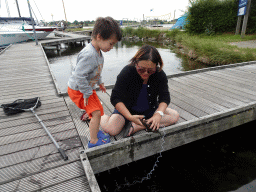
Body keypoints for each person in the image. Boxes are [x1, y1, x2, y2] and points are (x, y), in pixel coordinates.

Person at [101, 45, 180, 137]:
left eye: (150, 71)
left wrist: (158, 114)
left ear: (156, 66)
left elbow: (165, 97)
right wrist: (129, 117)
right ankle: (98, 114)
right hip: (127, 111)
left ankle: (138, 126)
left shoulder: (160, 74)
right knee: (111, 130)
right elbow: (115, 98)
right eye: (141, 69)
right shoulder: (127, 72)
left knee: (175, 116)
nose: (145, 73)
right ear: (136, 63)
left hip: (150, 110)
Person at [67, 17, 122, 148]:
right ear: (99, 37)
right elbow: (79, 75)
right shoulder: (89, 55)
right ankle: (93, 141)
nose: (112, 47)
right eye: (111, 43)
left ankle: (96, 132)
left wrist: (100, 82)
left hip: (86, 88)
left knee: (98, 110)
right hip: (79, 90)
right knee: (96, 113)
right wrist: (86, 93)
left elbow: (94, 71)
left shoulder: (98, 52)